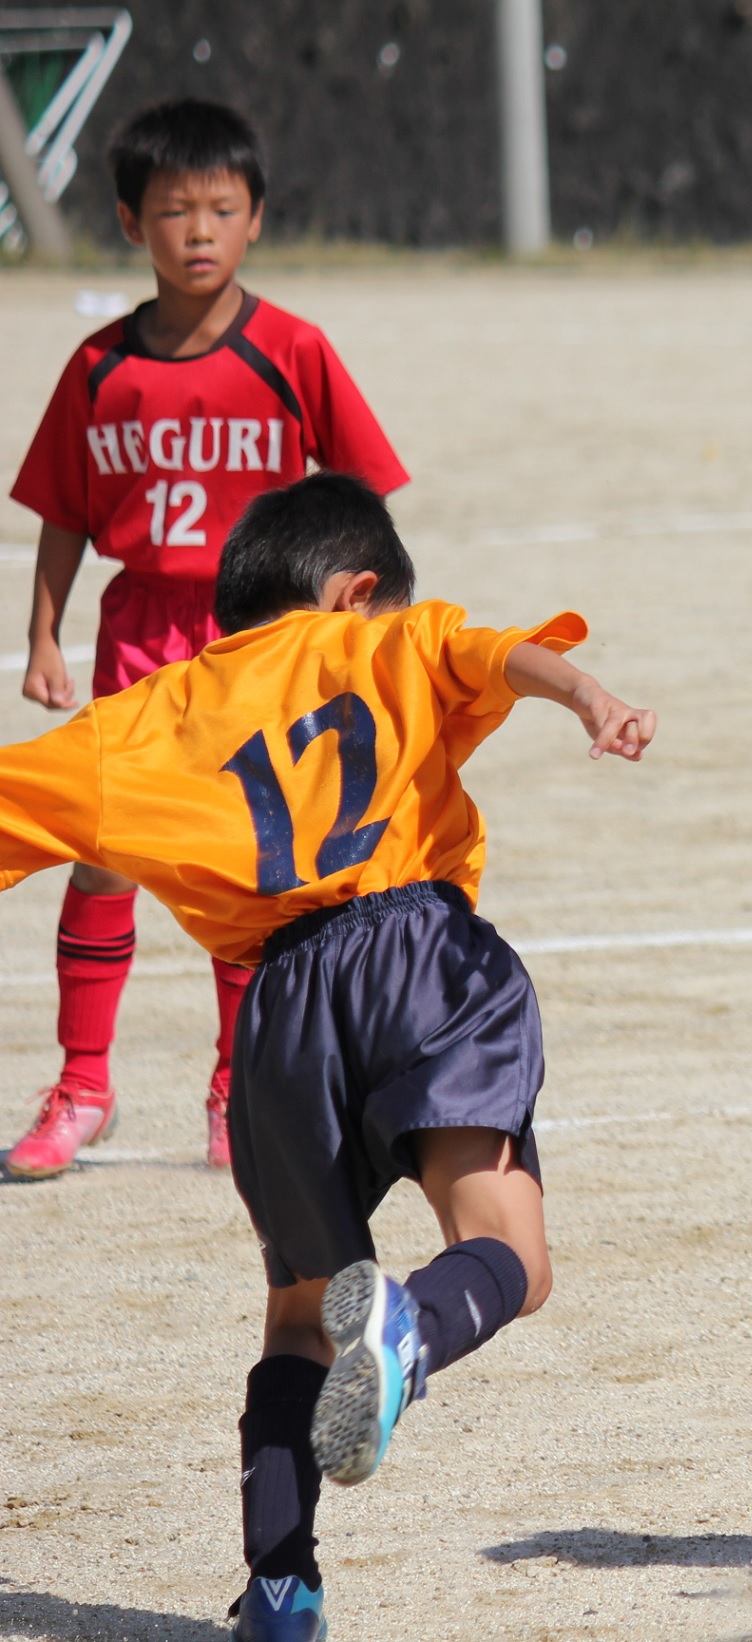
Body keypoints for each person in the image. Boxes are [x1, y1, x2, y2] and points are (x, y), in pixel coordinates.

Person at [0, 472, 653, 1639]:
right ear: (357, 590)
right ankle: (411, 1327)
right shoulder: (394, 640)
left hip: (281, 1016)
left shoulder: (144, 719)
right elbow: (505, 654)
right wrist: (590, 696)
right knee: (510, 1257)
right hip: (422, 957)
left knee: (298, 1321)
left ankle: (281, 1590)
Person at [4, 98, 406, 1181]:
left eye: (221, 210)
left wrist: (367, 628)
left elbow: (361, 496)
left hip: (258, 639)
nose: (199, 231)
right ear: (131, 223)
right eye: (174, 211)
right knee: (101, 856)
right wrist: (42, 635)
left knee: (250, 865)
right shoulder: (99, 369)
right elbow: (65, 513)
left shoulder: (292, 351)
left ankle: (239, 1082)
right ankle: (83, 1086)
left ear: (257, 220)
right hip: (139, 628)